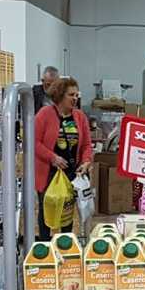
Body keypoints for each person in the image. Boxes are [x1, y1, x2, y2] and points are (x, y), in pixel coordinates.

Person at [34, 76, 93, 238]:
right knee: (47, 209)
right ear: (60, 96)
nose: (75, 98)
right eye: (71, 95)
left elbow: (87, 144)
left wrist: (86, 161)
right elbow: (34, 142)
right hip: (49, 173)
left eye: (76, 95)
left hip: (72, 172)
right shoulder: (44, 114)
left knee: (68, 211)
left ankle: (65, 243)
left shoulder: (80, 117)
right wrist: (52, 157)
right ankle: (45, 244)